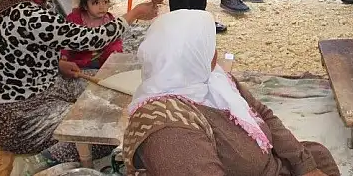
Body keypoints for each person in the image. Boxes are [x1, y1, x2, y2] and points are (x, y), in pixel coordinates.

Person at [0, 0, 157, 174]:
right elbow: (90, 39)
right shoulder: (26, 15)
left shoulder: (11, 8)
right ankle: (37, 162)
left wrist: (57, 63)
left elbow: (18, 56)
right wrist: (134, 14)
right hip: (21, 118)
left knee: (102, 84)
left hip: (42, 90)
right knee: (102, 133)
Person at [122, 9, 340, 176]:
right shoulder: (169, 131)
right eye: (209, 46)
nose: (215, 52)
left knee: (317, 155)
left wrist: (304, 165)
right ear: (194, 56)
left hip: (270, 166)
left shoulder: (213, 80)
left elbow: (263, 114)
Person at [61, 0, 123, 69]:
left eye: (105, 2)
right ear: (85, 6)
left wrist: (115, 52)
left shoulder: (108, 19)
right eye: (96, 3)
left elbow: (115, 40)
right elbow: (64, 39)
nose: (102, 7)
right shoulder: (74, 20)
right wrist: (64, 56)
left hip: (103, 61)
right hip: (80, 62)